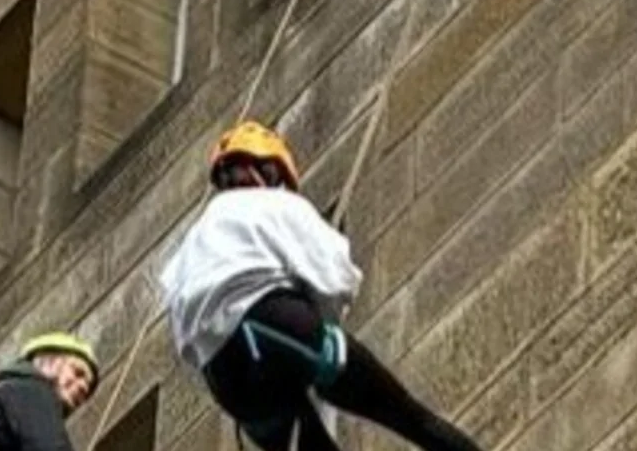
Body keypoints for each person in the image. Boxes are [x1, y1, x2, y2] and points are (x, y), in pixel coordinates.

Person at [157, 121, 483, 451]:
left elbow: (183, 335)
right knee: (407, 416)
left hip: (226, 380)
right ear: (271, 173)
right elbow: (336, 278)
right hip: (275, 326)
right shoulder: (276, 205)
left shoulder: (187, 249)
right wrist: (322, 337)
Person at [0, 333, 101, 451]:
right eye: (78, 372)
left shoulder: (8, 394)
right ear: (48, 363)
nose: (83, 387)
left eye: (87, 390)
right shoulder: (32, 392)